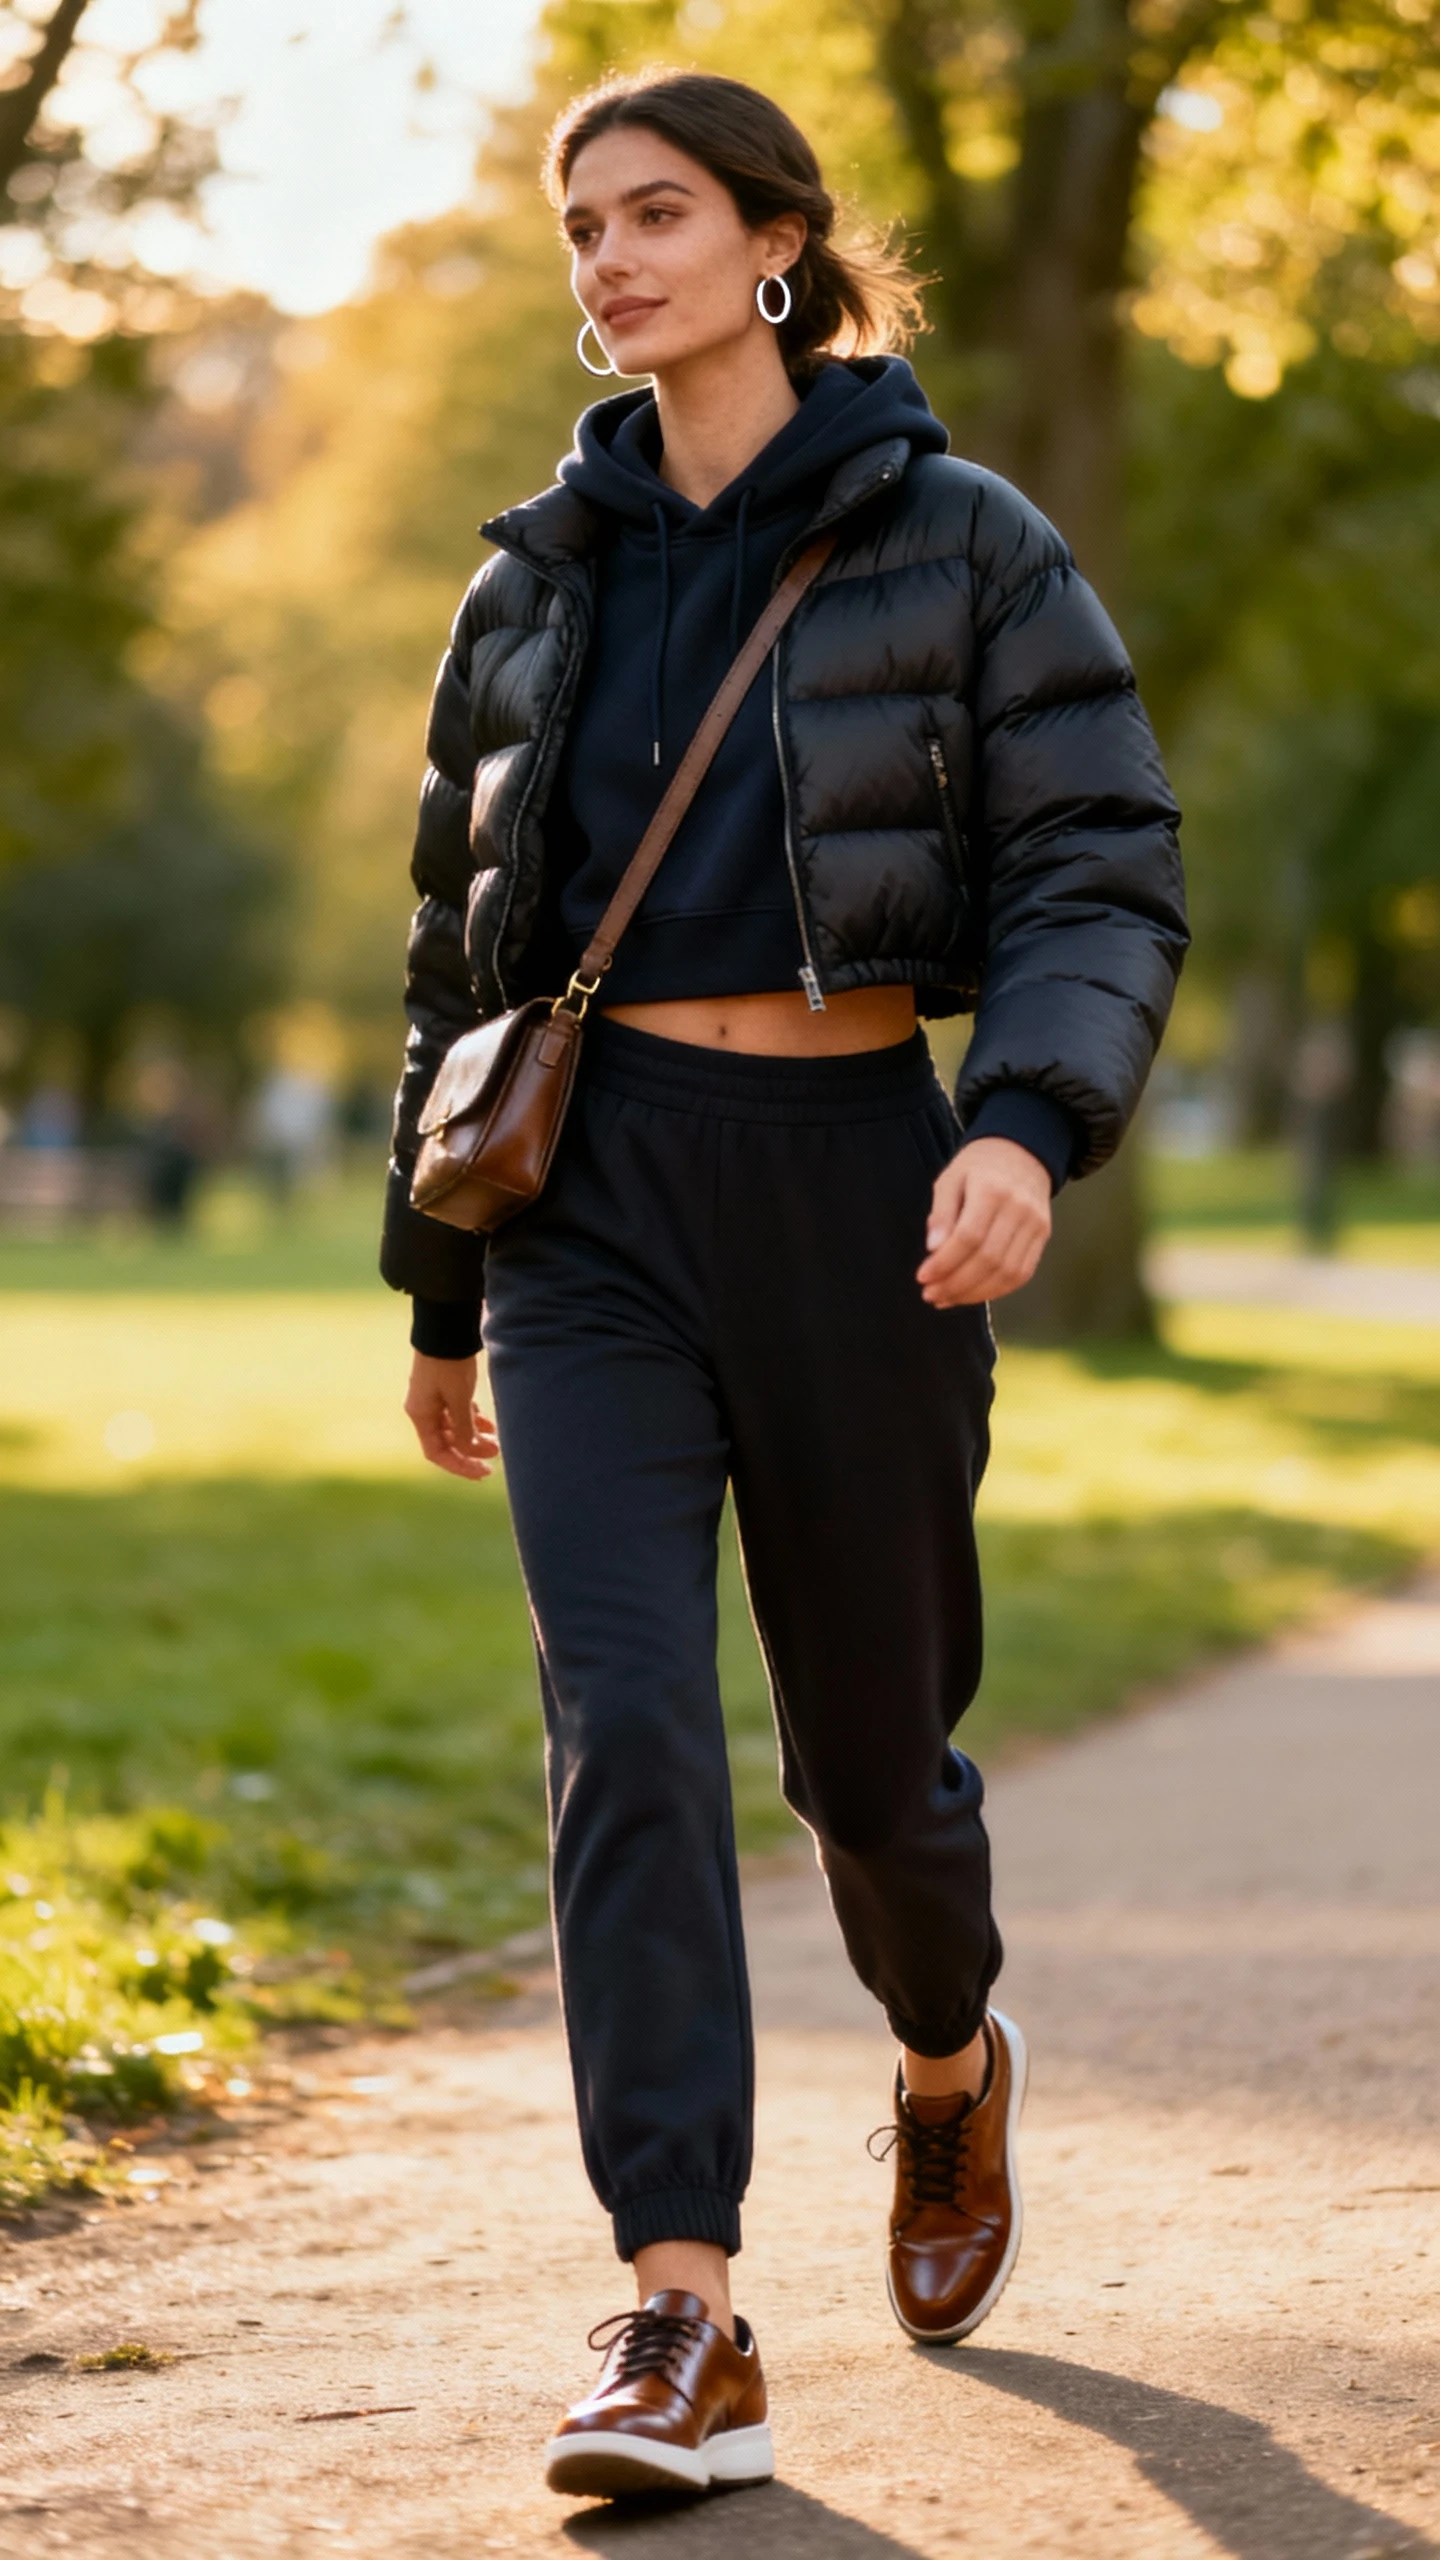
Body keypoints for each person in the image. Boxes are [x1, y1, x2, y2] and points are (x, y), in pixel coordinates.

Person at [381, 69, 1186, 2503]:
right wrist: (441, 1279)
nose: (609, 259)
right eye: (580, 222)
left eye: (658, 216)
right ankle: (680, 2310)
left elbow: (1100, 861)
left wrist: (1027, 1126)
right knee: (624, 1717)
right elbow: (460, 950)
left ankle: (948, 2058)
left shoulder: (960, 537)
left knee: (868, 1765)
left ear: (774, 245)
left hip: (855, 1176)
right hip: (595, 1208)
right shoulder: (537, 577)